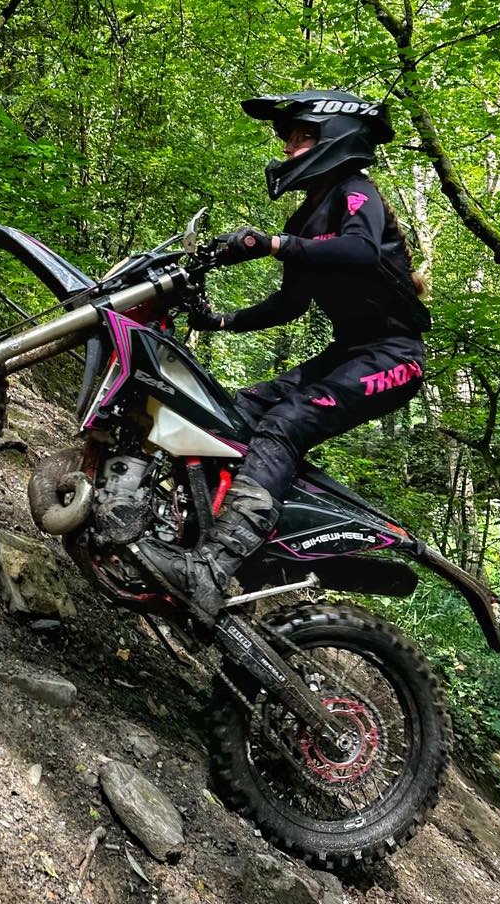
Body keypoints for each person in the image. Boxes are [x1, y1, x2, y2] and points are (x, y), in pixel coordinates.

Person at [137, 88, 431, 626]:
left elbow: (361, 250)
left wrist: (270, 244)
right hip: (348, 352)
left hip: (395, 355)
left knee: (285, 423)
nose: (290, 148)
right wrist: (220, 320)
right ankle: (215, 530)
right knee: (238, 410)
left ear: (336, 138)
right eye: (289, 138)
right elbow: (290, 304)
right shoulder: (303, 220)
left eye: (301, 136)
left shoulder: (355, 191)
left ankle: (212, 568)